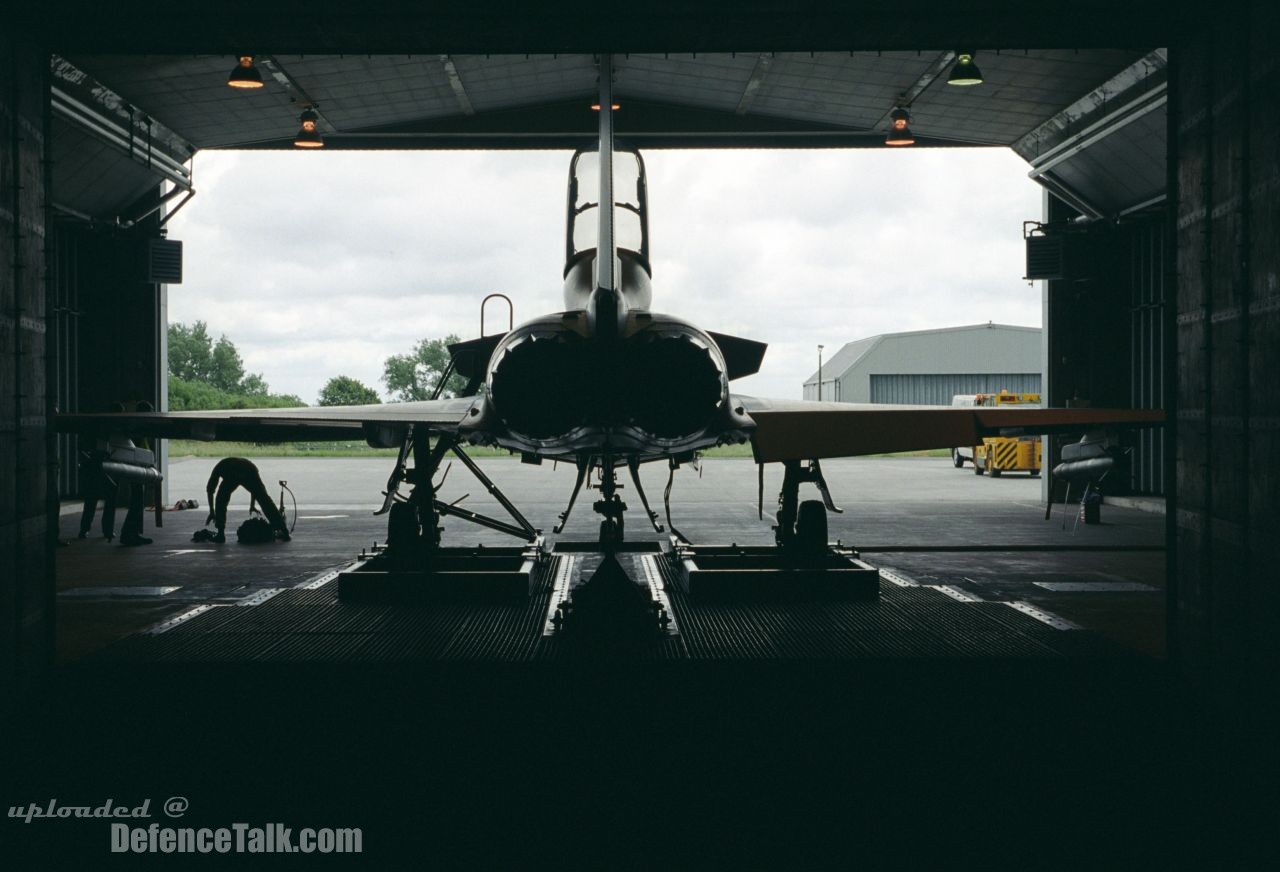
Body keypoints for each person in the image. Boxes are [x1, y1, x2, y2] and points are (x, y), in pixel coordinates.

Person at [205, 457, 290, 543]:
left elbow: (210, 491)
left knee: (221, 499)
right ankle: (284, 530)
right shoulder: (221, 468)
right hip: (246, 469)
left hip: (236, 471)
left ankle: (220, 534)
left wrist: (212, 511)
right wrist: (252, 504)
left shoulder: (219, 469)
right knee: (264, 499)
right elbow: (255, 489)